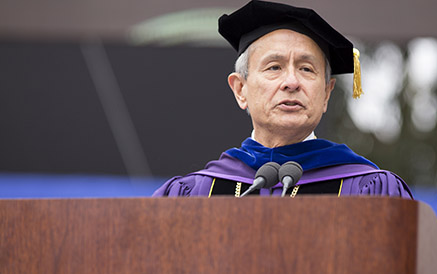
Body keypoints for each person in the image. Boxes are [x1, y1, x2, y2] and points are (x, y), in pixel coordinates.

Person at [153, 0, 412, 198]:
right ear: (240, 89)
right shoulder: (194, 194)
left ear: (326, 94)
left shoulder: (369, 190)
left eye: (306, 69)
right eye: (274, 67)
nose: (291, 82)